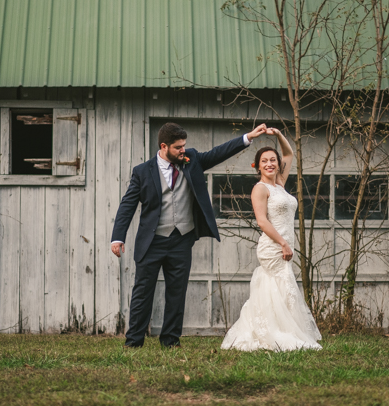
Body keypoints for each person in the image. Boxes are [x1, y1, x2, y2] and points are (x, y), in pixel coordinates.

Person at [111, 122, 268, 348]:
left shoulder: (191, 159)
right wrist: (118, 237)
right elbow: (127, 206)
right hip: (151, 241)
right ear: (164, 146)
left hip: (181, 239)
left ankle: (170, 341)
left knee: (177, 292)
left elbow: (218, 153)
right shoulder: (142, 171)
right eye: (178, 147)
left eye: (184, 145)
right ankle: (134, 342)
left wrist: (247, 137)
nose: (183, 150)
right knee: (143, 292)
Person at [221, 128, 322, 351]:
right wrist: (283, 243)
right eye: (264, 161)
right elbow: (262, 222)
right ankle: (276, 334)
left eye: (273, 160)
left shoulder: (280, 184)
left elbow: (289, 154)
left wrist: (277, 135)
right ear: (257, 166)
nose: (270, 164)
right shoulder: (260, 188)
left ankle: (281, 329)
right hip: (273, 246)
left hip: (285, 244)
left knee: (280, 290)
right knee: (281, 287)